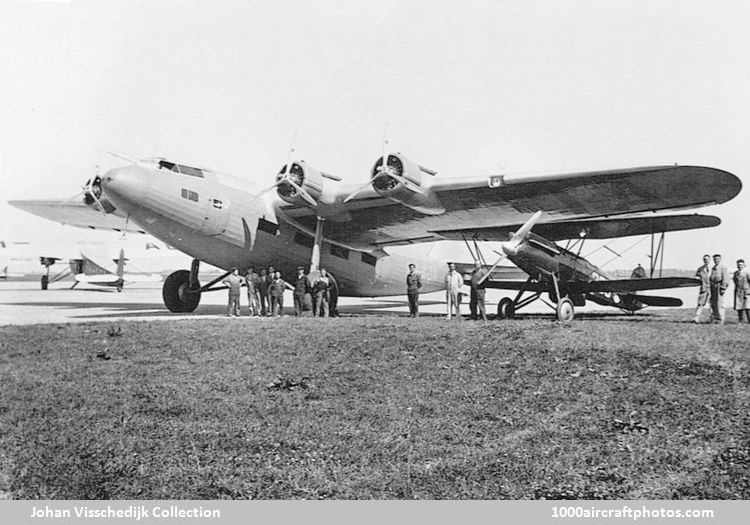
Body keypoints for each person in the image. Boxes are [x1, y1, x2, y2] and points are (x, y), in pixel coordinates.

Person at [709, 253, 730, 324]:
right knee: (713, 302)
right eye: (715, 259)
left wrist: (723, 287)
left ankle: (721, 319)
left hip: (719, 286)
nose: (716, 260)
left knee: (720, 303)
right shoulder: (713, 268)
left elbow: (726, 278)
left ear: (720, 259)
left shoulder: (723, 267)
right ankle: (715, 318)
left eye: (717, 259)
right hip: (713, 287)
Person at [693, 254, 711, 323]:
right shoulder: (700, 269)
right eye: (705, 259)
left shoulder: (713, 269)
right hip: (703, 288)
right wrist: (697, 278)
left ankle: (712, 318)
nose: (706, 261)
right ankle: (696, 318)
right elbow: (696, 277)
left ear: (709, 260)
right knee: (700, 303)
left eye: (707, 259)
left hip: (712, 289)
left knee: (712, 304)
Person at [733, 259, 750, 323]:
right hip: (738, 292)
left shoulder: (747, 273)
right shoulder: (736, 273)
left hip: (746, 292)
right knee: (739, 307)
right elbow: (735, 281)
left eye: (740, 265)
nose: (739, 266)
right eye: (738, 265)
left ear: (744, 265)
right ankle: (741, 320)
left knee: (747, 306)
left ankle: (749, 321)